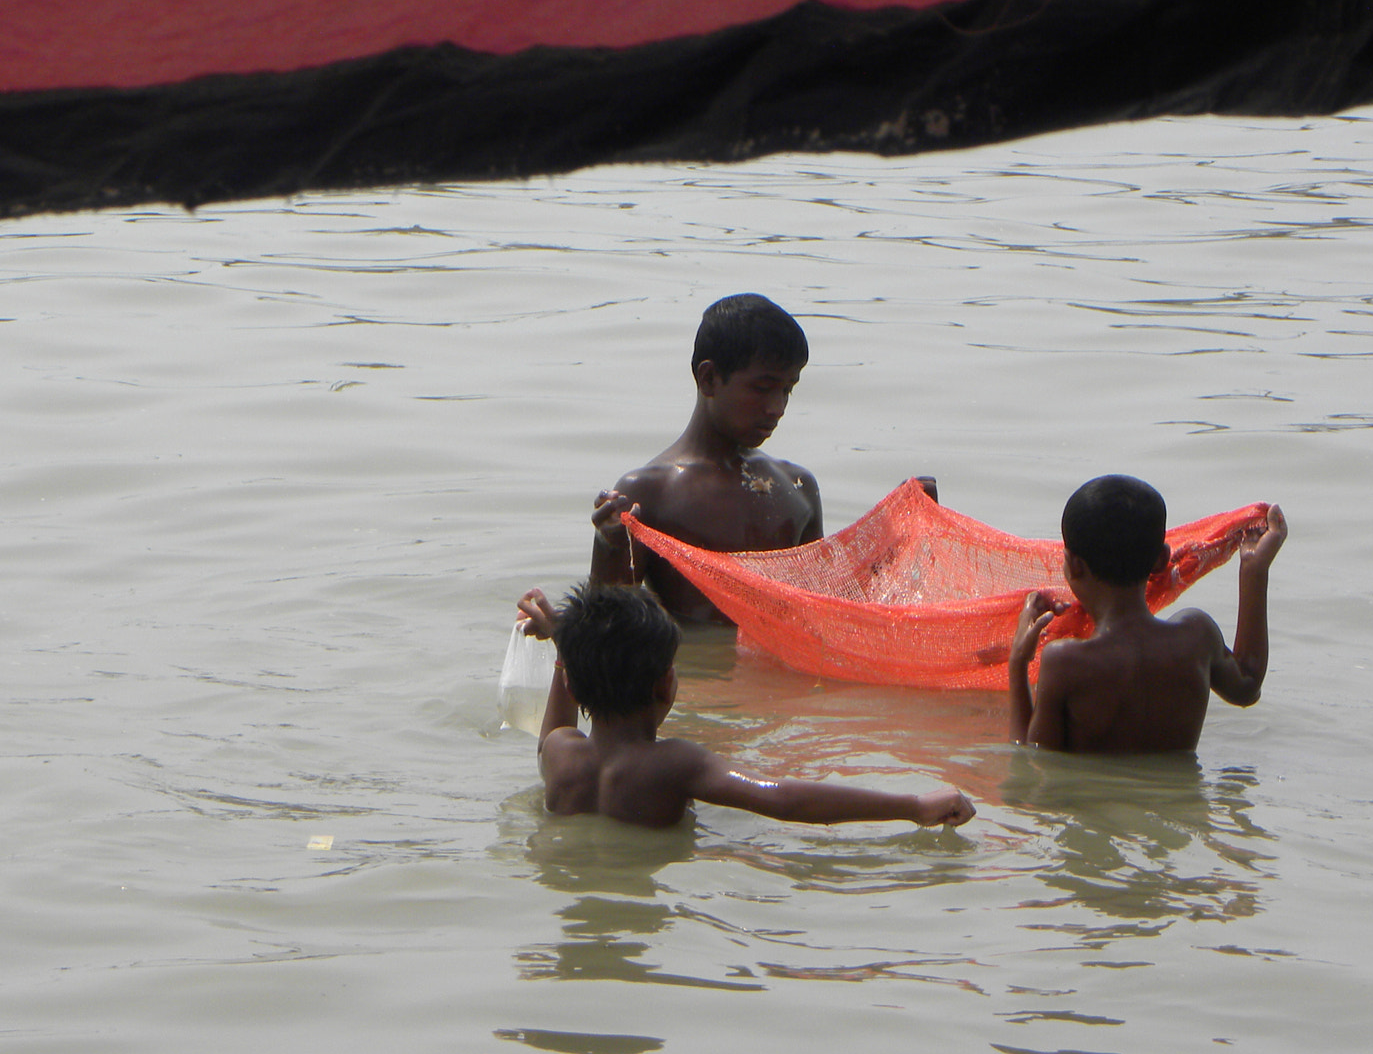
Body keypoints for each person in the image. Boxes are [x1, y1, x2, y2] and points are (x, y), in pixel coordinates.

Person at [518, 581, 976, 830]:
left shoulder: (561, 754)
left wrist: (565, 640)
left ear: (570, 683)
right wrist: (912, 806)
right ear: (666, 684)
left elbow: (557, 717)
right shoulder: (675, 763)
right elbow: (779, 798)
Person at [589, 294, 933, 624]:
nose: (777, 408)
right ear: (708, 378)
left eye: (788, 389)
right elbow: (608, 630)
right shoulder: (649, 492)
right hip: (701, 679)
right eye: (762, 387)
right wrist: (610, 547)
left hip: (781, 674)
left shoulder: (798, 488)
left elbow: (829, 607)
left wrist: (897, 534)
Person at [1008, 475, 1288, 753]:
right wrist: (1254, 570)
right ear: (1162, 559)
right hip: (1178, 799)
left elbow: (1032, 760)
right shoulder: (1197, 638)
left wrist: (1018, 662)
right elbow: (1248, 687)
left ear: (1073, 565)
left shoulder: (1064, 662)